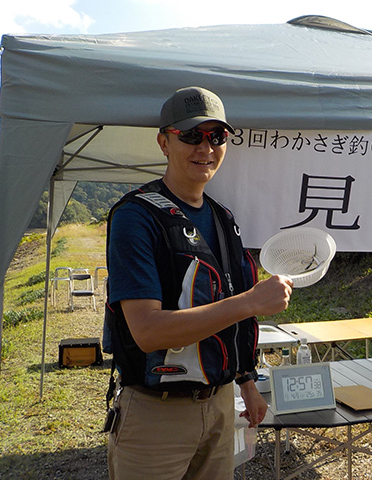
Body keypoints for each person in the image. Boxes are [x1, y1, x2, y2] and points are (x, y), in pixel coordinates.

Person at [105, 86, 293, 480]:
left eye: (217, 136)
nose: (205, 148)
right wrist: (251, 302)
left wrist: (246, 382)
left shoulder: (223, 218)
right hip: (156, 413)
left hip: (221, 403)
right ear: (163, 142)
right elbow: (147, 332)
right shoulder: (135, 217)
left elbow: (229, 304)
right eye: (191, 135)